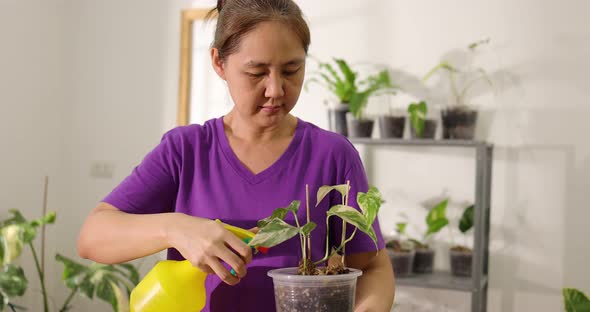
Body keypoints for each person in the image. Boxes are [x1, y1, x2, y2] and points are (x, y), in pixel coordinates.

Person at [77, 0, 394, 311]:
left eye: (291, 70)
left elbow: (373, 268)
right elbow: (93, 236)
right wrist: (175, 228)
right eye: (256, 72)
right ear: (219, 63)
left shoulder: (332, 155)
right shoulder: (186, 151)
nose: (275, 90)